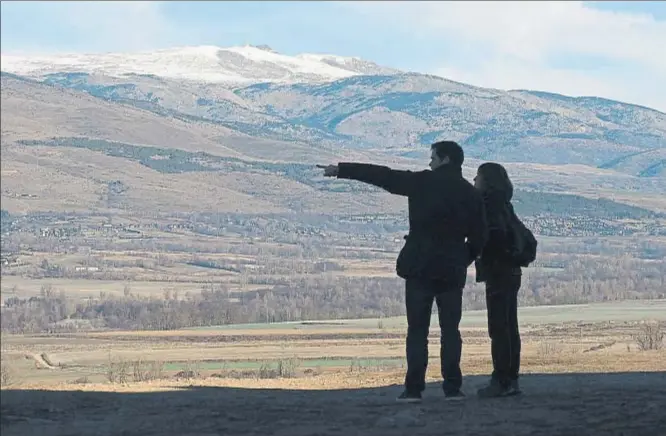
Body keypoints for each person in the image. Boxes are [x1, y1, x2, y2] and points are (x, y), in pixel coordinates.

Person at [319, 141, 488, 402]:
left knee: (417, 331)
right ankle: (452, 388)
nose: (429, 162)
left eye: (432, 157)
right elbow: (479, 237)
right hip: (451, 271)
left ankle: (413, 389)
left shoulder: (422, 183)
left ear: (444, 159)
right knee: (451, 331)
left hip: (419, 267)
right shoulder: (470, 193)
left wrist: (342, 169)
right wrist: (461, 258)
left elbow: (383, 176)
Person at [473, 162, 523, 398]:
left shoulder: (489, 207)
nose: (474, 181)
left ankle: (502, 379)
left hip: (498, 271)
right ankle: (510, 379)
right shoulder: (504, 204)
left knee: (499, 328)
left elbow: (492, 237)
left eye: (478, 177)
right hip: (510, 271)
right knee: (509, 326)